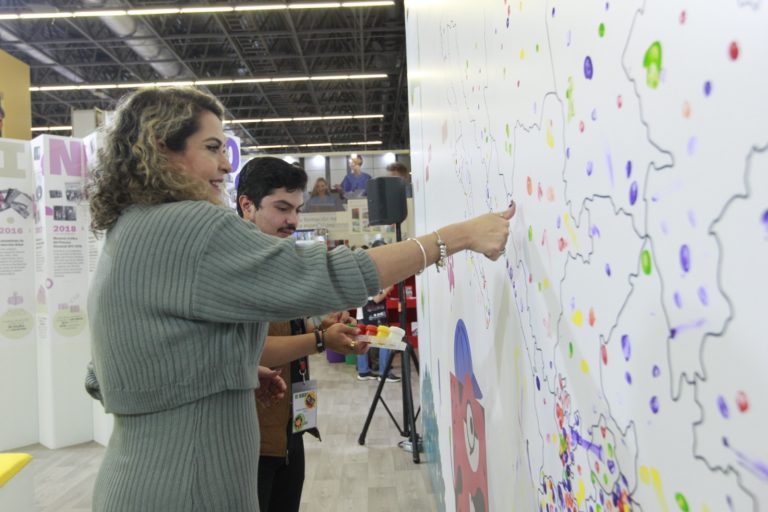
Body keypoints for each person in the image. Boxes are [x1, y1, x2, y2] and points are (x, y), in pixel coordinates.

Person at [86, 85, 513, 512]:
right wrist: (456, 237)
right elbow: (328, 277)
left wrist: (226, 368)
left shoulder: (130, 229)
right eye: (212, 147)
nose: (225, 162)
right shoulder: (190, 225)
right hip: (188, 490)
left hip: (139, 482)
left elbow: (102, 375)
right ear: (163, 148)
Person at [236, 157, 366, 511]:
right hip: (251, 437)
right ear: (247, 205)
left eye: (296, 209)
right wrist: (321, 341)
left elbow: (284, 326)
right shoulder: (234, 267)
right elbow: (250, 350)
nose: (293, 220)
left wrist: (319, 326)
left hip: (291, 424)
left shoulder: (280, 257)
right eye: (281, 208)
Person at [356, 240, 400, 382]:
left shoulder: (365, 268)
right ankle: (384, 373)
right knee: (385, 341)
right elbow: (375, 298)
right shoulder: (372, 271)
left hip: (364, 313)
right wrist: (389, 288)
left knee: (363, 340)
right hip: (371, 313)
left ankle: (363, 371)